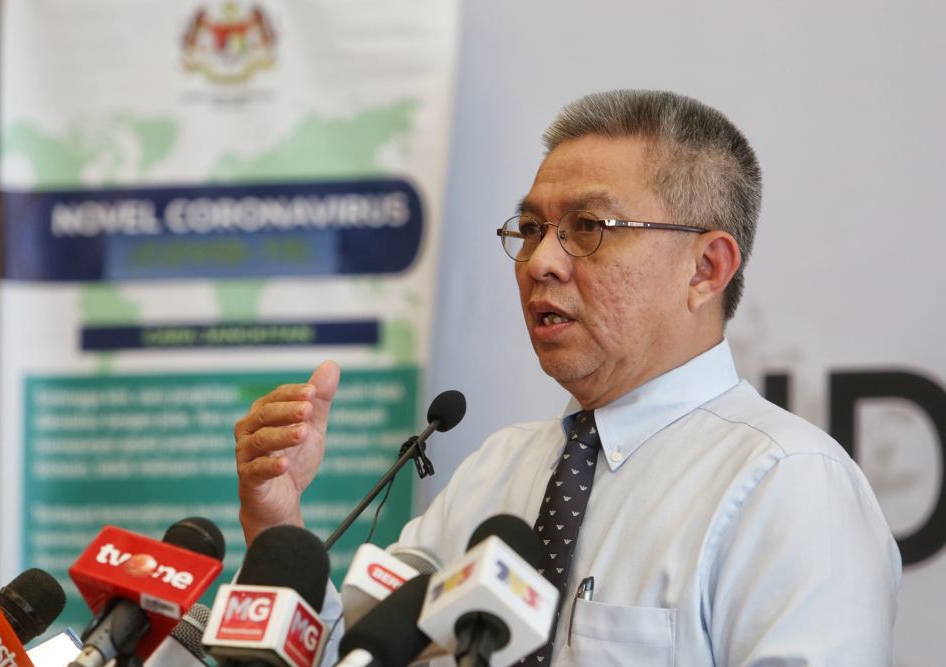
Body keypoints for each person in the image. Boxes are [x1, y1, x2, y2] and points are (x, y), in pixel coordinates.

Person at [233, 90, 901, 665]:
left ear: (705, 269)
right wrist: (275, 521)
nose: (540, 261)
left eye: (587, 226)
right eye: (530, 227)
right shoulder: (494, 472)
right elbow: (354, 654)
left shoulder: (787, 483)